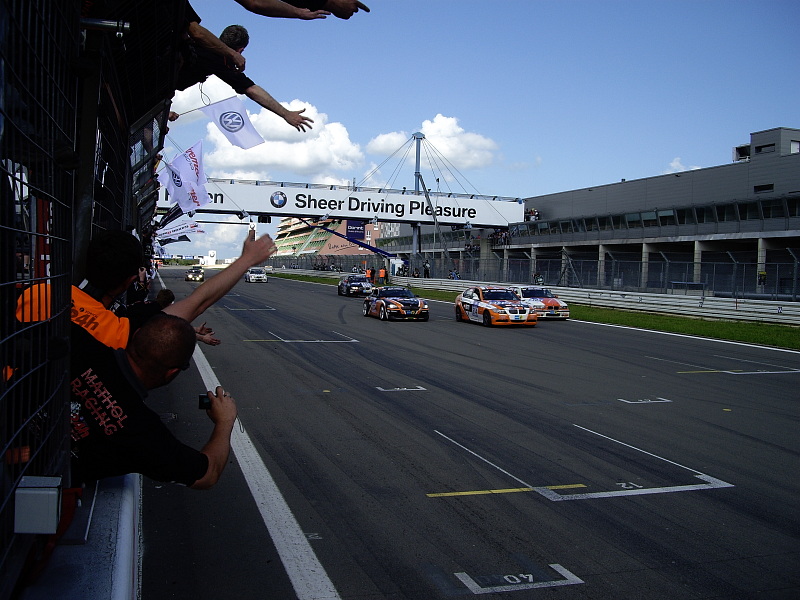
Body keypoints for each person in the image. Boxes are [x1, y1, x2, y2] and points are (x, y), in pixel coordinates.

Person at [70, 313, 236, 489]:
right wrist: (224, 422)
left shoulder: (79, 340)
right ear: (171, 372)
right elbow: (207, 474)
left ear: (136, 335)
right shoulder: (140, 431)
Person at [175, 24, 314, 132]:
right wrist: (286, 114)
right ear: (240, 50)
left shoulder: (197, 39)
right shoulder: (220, 61)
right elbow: (251, 90)